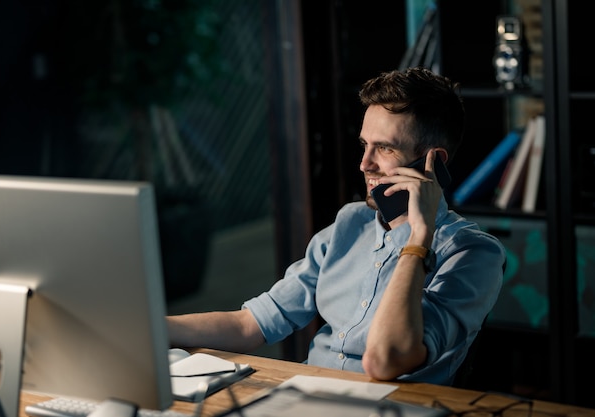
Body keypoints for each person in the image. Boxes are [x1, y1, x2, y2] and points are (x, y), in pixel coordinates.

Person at [166, 66, 505, 385]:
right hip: (307, 398)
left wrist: (418, 238)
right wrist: (148, 328)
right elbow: (250, 325)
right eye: (364, 145)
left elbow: (385, 360)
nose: (364, 164)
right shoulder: (350, 224)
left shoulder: (474, 254)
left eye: (384, 148)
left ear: (433, 163)